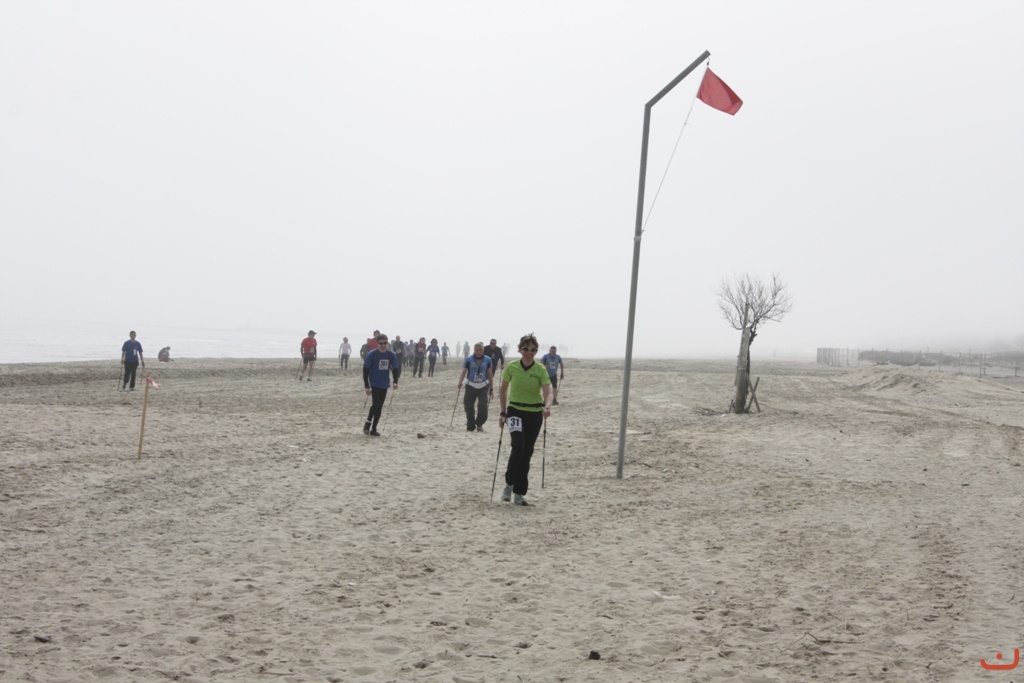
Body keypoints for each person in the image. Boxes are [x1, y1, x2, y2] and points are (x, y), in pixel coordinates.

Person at [498, 333, 552, 506]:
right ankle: (509, 484)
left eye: (533, 349)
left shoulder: (540, 369)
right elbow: (503, 390)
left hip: (534, 414)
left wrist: (547, 406)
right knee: (518, 446)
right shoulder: (512, 367)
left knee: (527, 452)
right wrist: (502, 412)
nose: (529, 352)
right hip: (515, 411)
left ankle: (519, 493)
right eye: (526, 348)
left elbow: (548, 391)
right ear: (520, 350)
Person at [362, 335, 400, 436]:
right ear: (377, 344)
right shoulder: (372, 354)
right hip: (374, 383)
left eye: (385, 343)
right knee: (376, 404)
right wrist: (367, 386)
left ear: (387, 343)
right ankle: (367, 424)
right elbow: (365, 370)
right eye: (381, 343)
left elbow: (395, 368)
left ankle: (374, 429)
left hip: (384, 383)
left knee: (380, 407)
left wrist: (395, 381)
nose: (383, 345)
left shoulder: (391, 354)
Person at [458, 342, 493, 432]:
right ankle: (471, 425)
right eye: (477, 350)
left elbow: (490, 374)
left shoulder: (488, 360)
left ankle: (479, 423)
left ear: (483, 350)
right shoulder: (469, 359)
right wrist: (460, 382)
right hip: (470, 386)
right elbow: (464, 372)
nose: (478, 352)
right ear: (474, 350)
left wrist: (491, 388)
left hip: (483, 386)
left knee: (483, 406)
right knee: (468, 406)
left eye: (480, 350)